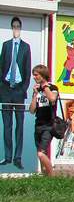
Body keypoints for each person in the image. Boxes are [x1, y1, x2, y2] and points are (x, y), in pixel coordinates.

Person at [0, 16, 31, 169]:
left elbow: (27, 70)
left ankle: (18, 157)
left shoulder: (26, 47)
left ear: (21, 28)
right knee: (7, 125)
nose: (16, 29)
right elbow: (1, 66)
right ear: (11, 28)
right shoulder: (6, 46)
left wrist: (24, 88)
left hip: (19, 90)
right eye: (14, 26)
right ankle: (7, 156)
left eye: (18, 26)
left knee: (19, 125)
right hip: (6, 88)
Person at [27, 65, 57, 176]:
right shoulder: (37, 91)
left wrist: (45, 88)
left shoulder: (52, 88)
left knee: (41, 153)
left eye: (36, 75)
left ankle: (53, 178)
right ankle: (46, 180)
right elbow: (31, 110)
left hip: (48, 125)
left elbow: (52, 98)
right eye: (33, 75)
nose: (34, 77)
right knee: (41, 159)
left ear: (43, 75)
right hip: (38, 125)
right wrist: (35, 94)